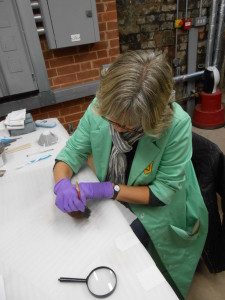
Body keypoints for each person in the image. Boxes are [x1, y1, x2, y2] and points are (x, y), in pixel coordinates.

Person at [53, 50, 208, 299]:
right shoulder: (102, 106)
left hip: (160, 206)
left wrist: (108, 189)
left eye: (126, 126)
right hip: (123, 195)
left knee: (141, 274)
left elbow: (162, 192)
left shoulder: (176, 125)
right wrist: (61, 182)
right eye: (111, 119)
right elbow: (71, 153)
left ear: (153, 119)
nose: (115, 128)